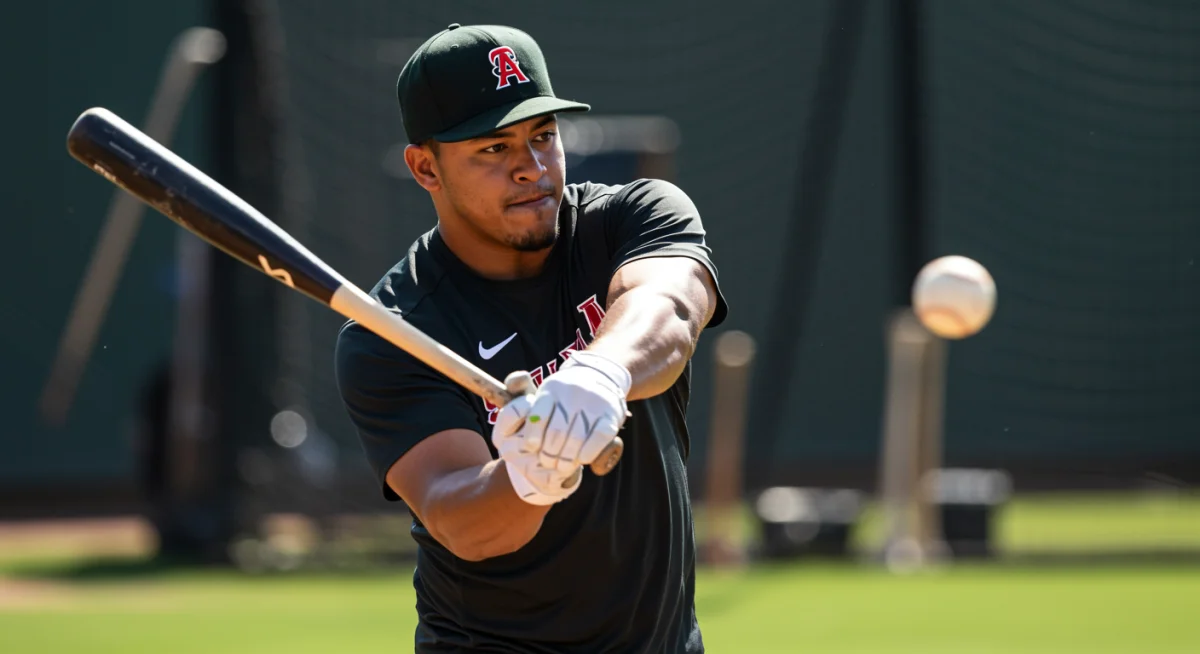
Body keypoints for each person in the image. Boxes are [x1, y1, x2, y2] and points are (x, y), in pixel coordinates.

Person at [334, 22, 728, 653]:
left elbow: (672, 306)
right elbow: (458, 518)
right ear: (424, 167)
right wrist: (529, 477)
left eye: (543, 136)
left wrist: (600, 374)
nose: (531, 167)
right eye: (493, 148)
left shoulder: (633, 216)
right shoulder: (394, 332)